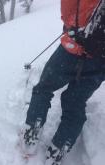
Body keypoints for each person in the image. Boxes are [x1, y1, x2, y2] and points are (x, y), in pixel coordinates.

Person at [21, 0, 105, 165]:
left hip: (71, 50)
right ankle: (58, 148)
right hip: (100, 63)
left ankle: (32, 130)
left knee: (43, 88)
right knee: (75, 103)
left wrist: (72, 27)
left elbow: (67, 14)